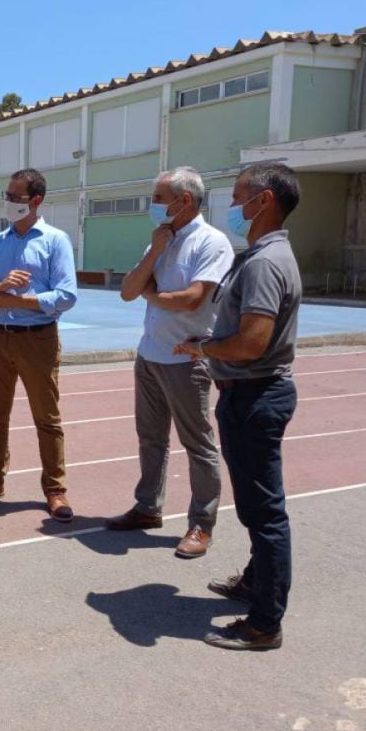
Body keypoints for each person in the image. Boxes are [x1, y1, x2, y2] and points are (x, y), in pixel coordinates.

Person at [174, 162, 303, 651]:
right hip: (250, 393)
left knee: (264, 513)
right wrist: (210, 342)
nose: (231, 206)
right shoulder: (262, 255)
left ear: (264, 200)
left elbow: (251, 343)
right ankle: (255, 583)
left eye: (237, 196)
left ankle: (264, 623)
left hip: (255, 396)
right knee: (257, 507)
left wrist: (204, 349)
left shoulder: (266, 263)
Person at [107, 167, 233, 558]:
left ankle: (201, 524)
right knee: (151, 440)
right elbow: (129, 290)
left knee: (198, 444)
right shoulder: (160, 240)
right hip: (149, 355)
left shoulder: (213, 243)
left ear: (185, 201)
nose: (153, 206)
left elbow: (192, 298)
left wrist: (153, 294)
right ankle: (148, 507)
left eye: (159, 199)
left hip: (186, 359)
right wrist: (156, 253)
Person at [0, 168, 78, 521]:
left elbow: (67, 295)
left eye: (16, 196)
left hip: (37, 339)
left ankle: (55, 490)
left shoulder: (55, 241)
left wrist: (20, 300)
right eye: (8, 195)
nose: (10, 201)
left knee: (47, 418)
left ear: (36, 200)